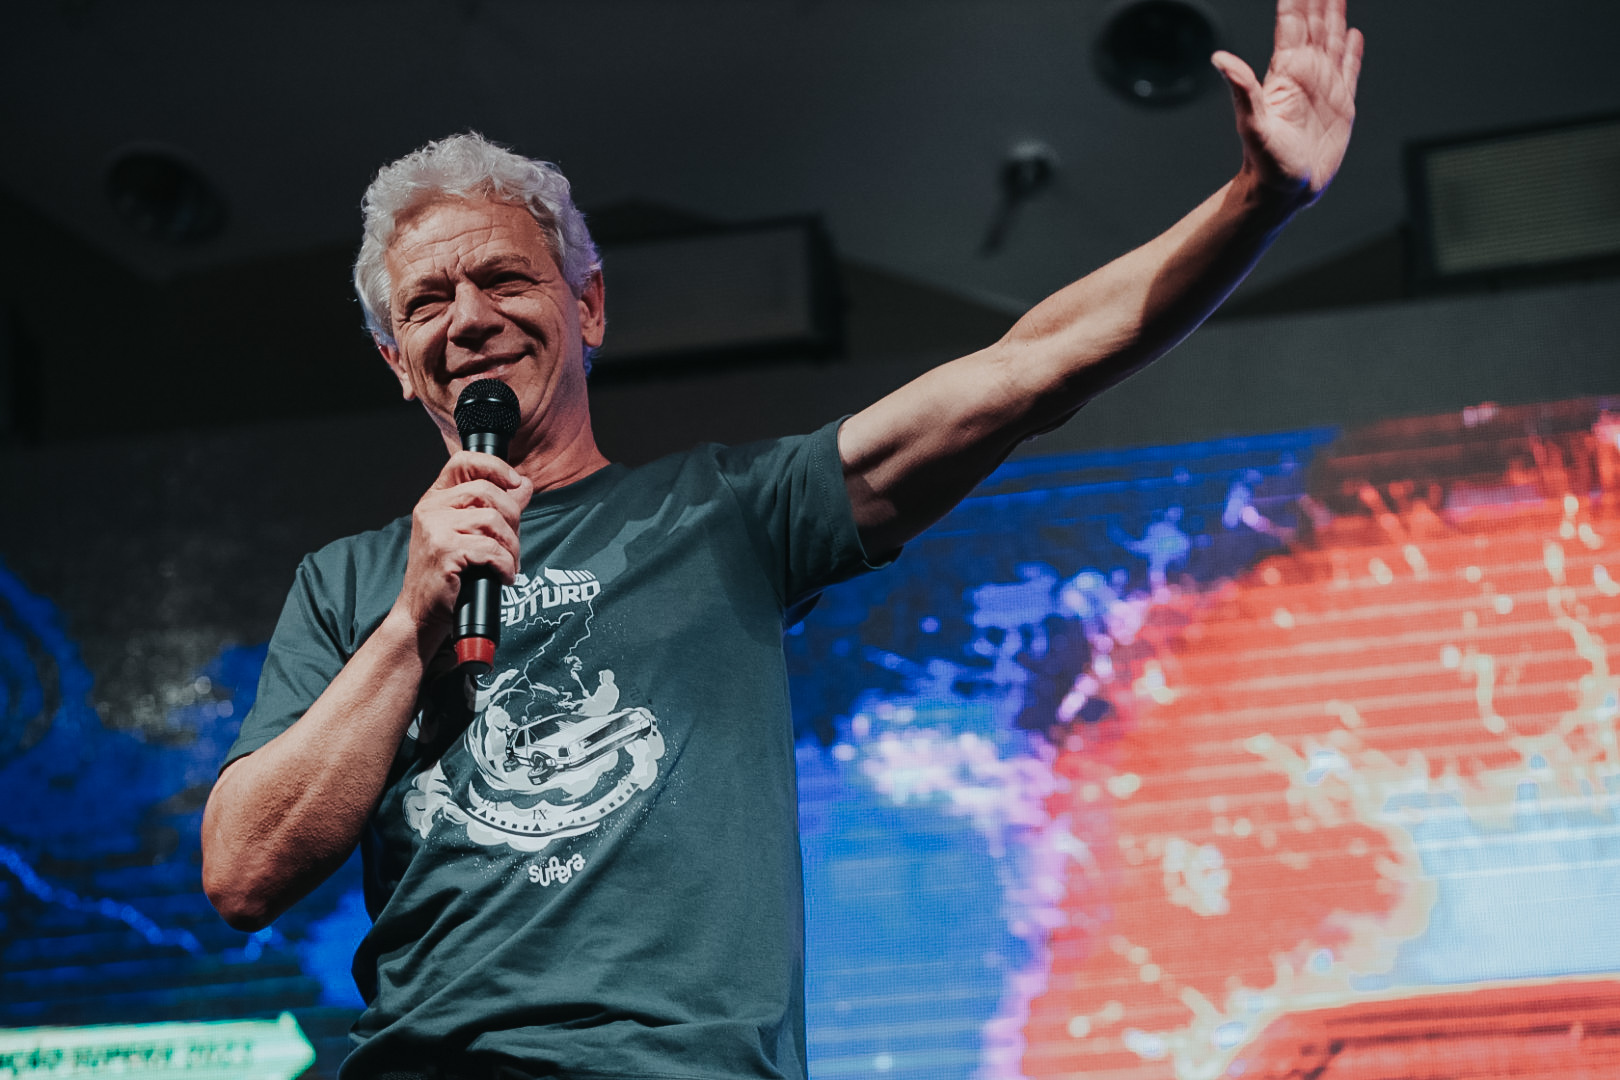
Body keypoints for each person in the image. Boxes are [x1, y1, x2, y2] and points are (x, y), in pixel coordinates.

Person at [202, 2, 1362, 1076]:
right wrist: (411, 623)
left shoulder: (729, 514)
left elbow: (1028, 370)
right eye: (426, 302)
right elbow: (244, 872)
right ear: (397, 363)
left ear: (587, 306)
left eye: (505, 278)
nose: (468, 319)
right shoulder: (349, 586)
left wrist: (1254, 205)